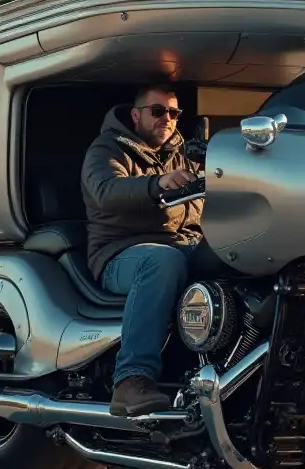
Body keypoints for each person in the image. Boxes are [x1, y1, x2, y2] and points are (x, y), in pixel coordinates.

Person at [80, 83, 210, 416]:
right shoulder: (107, 148)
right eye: (158, 111)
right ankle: (131, 379)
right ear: (136, 115)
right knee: (161, 261)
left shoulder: (184, 152)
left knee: (237, 256)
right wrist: (157, 184)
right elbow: (106, 190)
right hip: (120, 254)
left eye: (173, 112)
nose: (167, 118)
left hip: (184, 246)